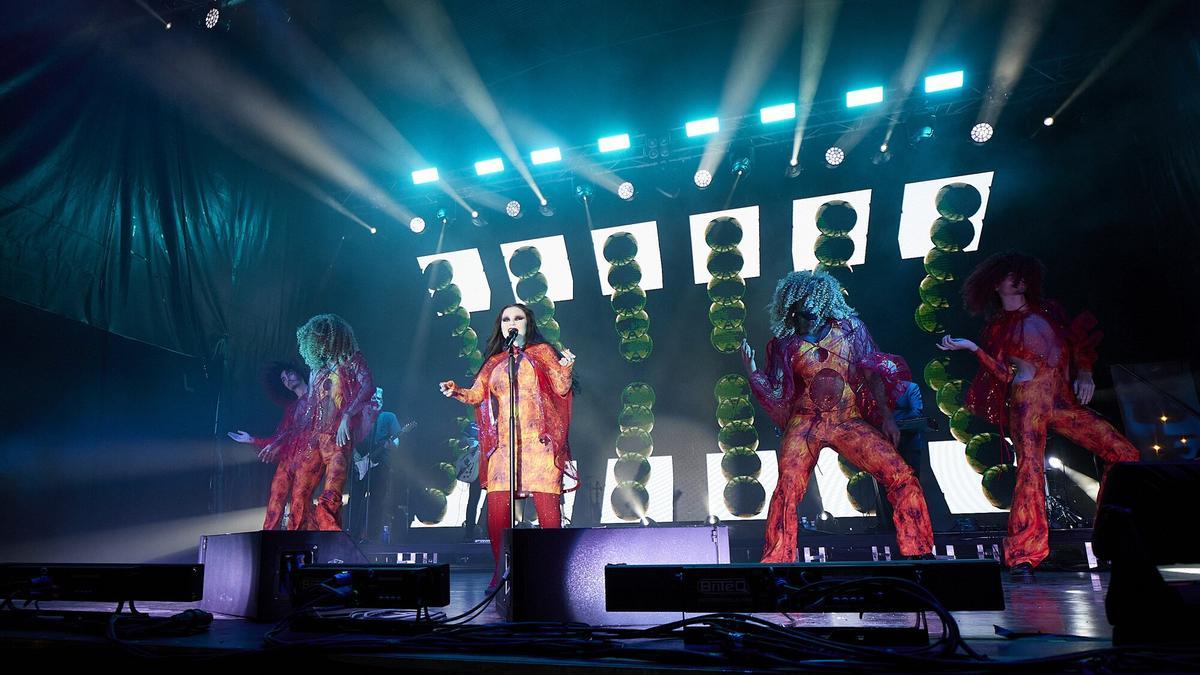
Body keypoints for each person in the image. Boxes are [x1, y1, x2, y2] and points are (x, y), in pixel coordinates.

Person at [938, 252, 1140, 575]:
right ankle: (1023, 554)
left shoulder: (1049, 312)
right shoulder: (997, 328)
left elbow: (1078, 342)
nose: (1017, 280)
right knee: (1030, 472)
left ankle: (1114, 535)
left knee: (1124, 453)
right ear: (995, 285)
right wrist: (973, 349)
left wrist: (1085, 372)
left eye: (1021, 274)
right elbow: (1004, 375)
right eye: (1009, 276)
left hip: (1062, 401)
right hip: (1027, 403)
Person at [741, 270, 934, 563]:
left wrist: (887, 418)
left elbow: (872, 373)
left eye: (813, 302)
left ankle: (919, 551)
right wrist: (752, 370)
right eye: (802, 305)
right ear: (791, 306)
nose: (809, 309)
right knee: (788, 486)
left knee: (901, 474)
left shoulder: (850, 331)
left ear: (823, 300)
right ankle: (777, 561)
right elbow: (778, 393)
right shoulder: (785, 345)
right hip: (806, 422)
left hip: (847, 420)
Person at [438, 303, 576, 589]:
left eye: (518, 318)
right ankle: (502, 571)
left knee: (547, 510)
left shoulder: (542, 353)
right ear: (500, 327)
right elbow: (477, 394)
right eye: (506, 319)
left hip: (539, 444)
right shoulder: (495, 362)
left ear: (528, 323)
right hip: (505, 447)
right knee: (497, 510)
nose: (511, 323)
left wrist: (565, 368)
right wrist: (456, 391)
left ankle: (552, 575)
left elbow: (561, 388)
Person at [293, 313, 375, 531]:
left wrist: (347, 415)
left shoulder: (352, 360)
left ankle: (331, 543)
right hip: (315, 438)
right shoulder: (317, 370)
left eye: (322, 338)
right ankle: (301, 541)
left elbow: (368, 386)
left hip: (338, 439)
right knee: (300, 494)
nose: (318, 343)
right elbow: (311, 403)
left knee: (330, 498)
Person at [227, 361, 316, 530]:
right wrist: (251, 439)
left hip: (308, 457)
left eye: (289, 373)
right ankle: (268, 535)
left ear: (298, 371)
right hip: (288, 460)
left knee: (300, 498)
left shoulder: (316, 398)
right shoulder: (291, 409)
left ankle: (297, 536)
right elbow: (278, 437)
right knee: (276, 496)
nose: (287, 380)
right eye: (283, 379)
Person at [347, 387, 413, 542]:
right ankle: (352, 535)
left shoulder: (388, 417)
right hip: (359, 464)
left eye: (379, 399)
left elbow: (397, 440)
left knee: (377, 501)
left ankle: (373, 537)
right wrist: (355, 456)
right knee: (355, 500)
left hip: (381, 464)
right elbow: (350, 439)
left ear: (382, 402)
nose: (376, 401)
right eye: (373, 398)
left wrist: (392, 444)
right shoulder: (358, 417)